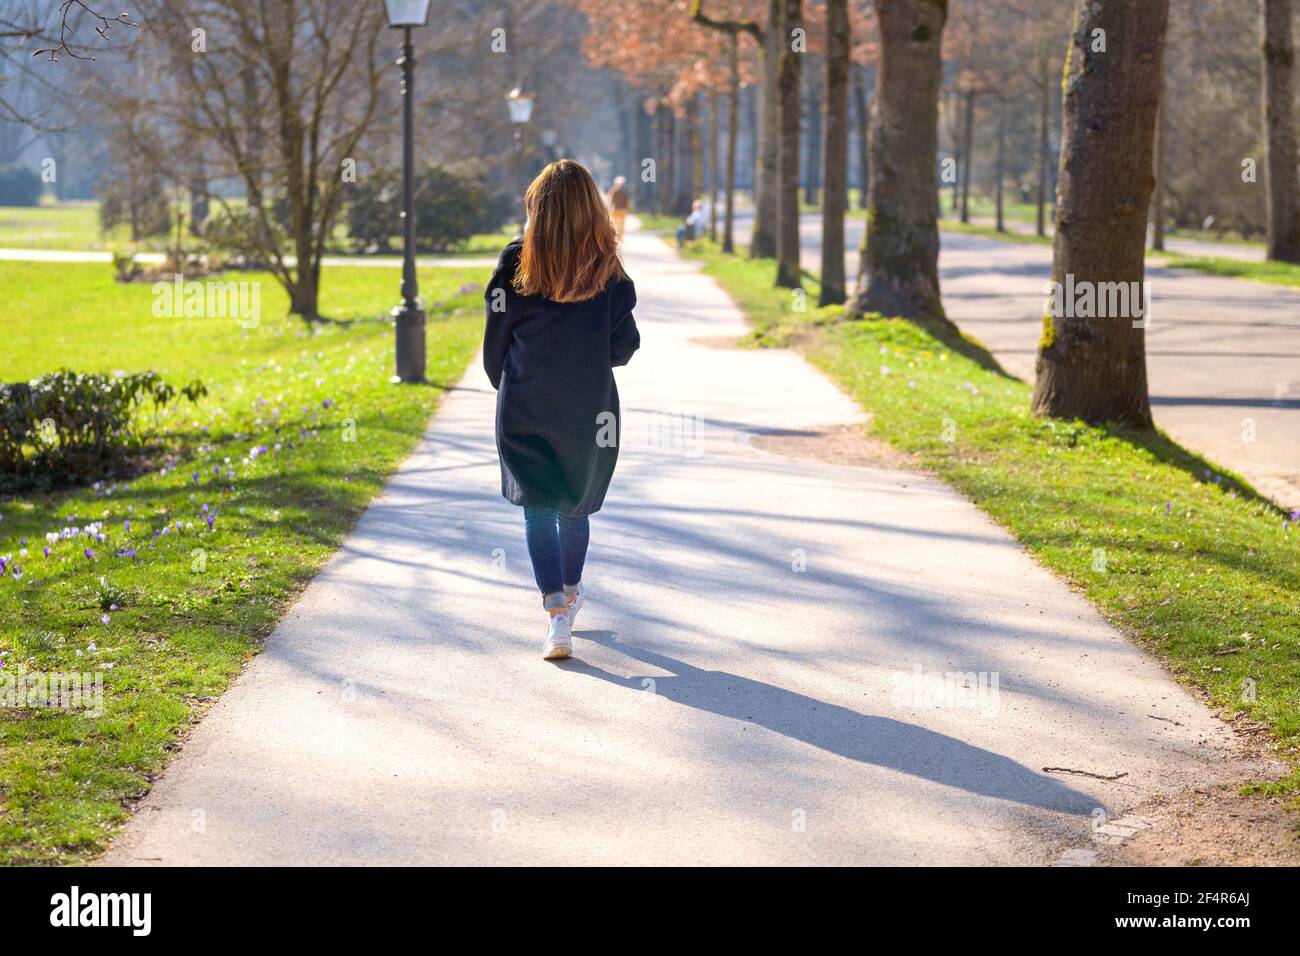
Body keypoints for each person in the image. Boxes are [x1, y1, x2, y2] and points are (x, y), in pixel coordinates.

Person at [483, 159, 640, 661]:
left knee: (537, 505)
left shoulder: (515, 261)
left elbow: (496, 339)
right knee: (576, 503)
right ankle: (570, 596)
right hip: (591, 411)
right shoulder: (608, 268)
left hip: (527, 402)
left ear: (538, 208)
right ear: (591, 208)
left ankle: (555, 618)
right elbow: (623, 347)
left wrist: (505, 384)